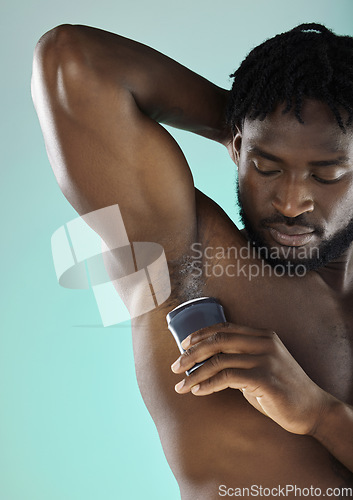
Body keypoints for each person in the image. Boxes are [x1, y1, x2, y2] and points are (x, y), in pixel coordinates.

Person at [31, 21, 353, 499]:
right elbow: (73, 61)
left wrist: (319, 414)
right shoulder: (186, 253)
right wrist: (246, 117)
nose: (289, 202)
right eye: (266, 166)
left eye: (326, 174)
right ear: (239, 150)